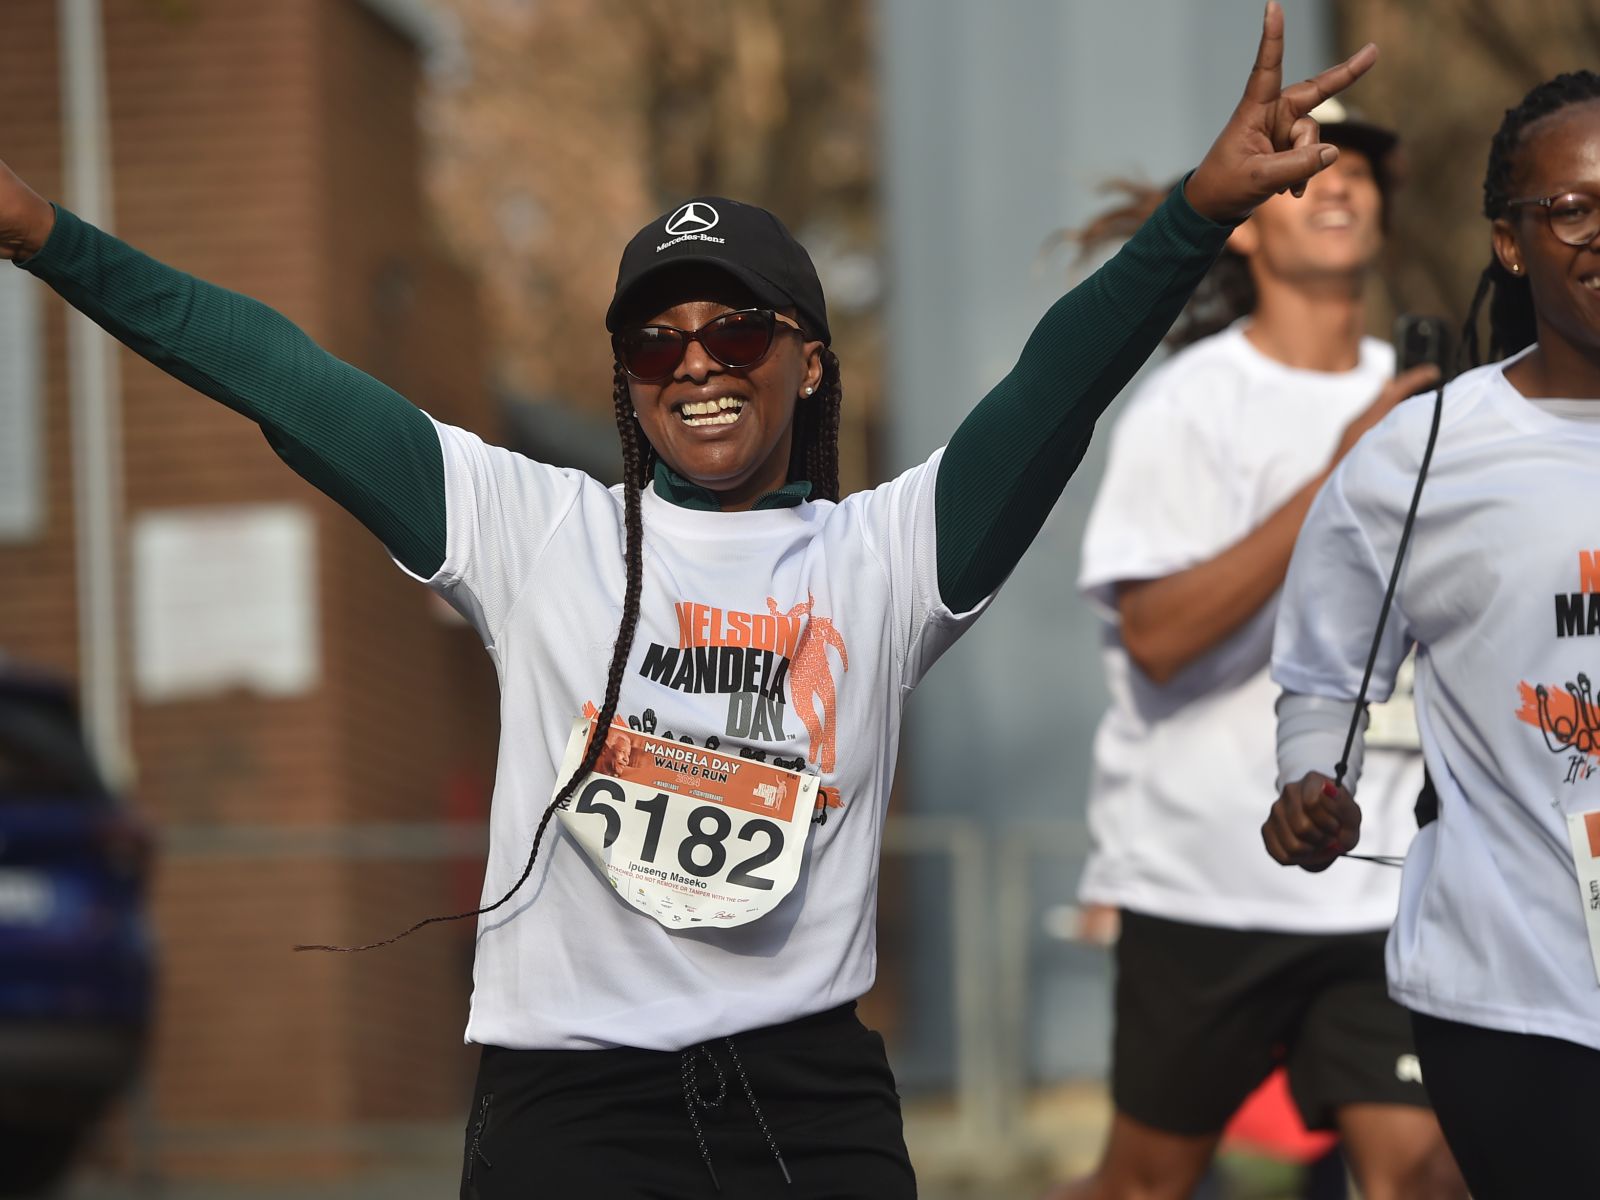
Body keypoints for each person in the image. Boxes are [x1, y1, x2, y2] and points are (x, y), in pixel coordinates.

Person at [1, 7, 1374, 1196]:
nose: (697, 362)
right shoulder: (531, 529)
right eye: (657, 338)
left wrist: (1193, 217)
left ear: (812, 366)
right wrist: (47, 235)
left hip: (808, 1111)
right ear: (626, 379)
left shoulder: (887, 557)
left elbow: (1053, 389)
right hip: (570, 1115)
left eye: (738, 330)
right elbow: (279, 377)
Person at [1059, 103, 1465, 1200]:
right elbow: (1155, 642)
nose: (1335, 187)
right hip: (1207, 883)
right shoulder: (1188, 405)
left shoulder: (1443, 408)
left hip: (1381, 888)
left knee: (1426, 1178)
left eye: (1358, 172)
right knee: (1143, 1186)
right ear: (1243, 226)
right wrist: (1336, 474)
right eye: (1302, 173)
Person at [1264, 69, 1600, 1200]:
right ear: (1509, 242)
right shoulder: (1427, 454)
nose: (1599, 232)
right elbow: (1322, 672)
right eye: (1568, 208)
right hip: (1510, 985)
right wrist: (1312, 784)